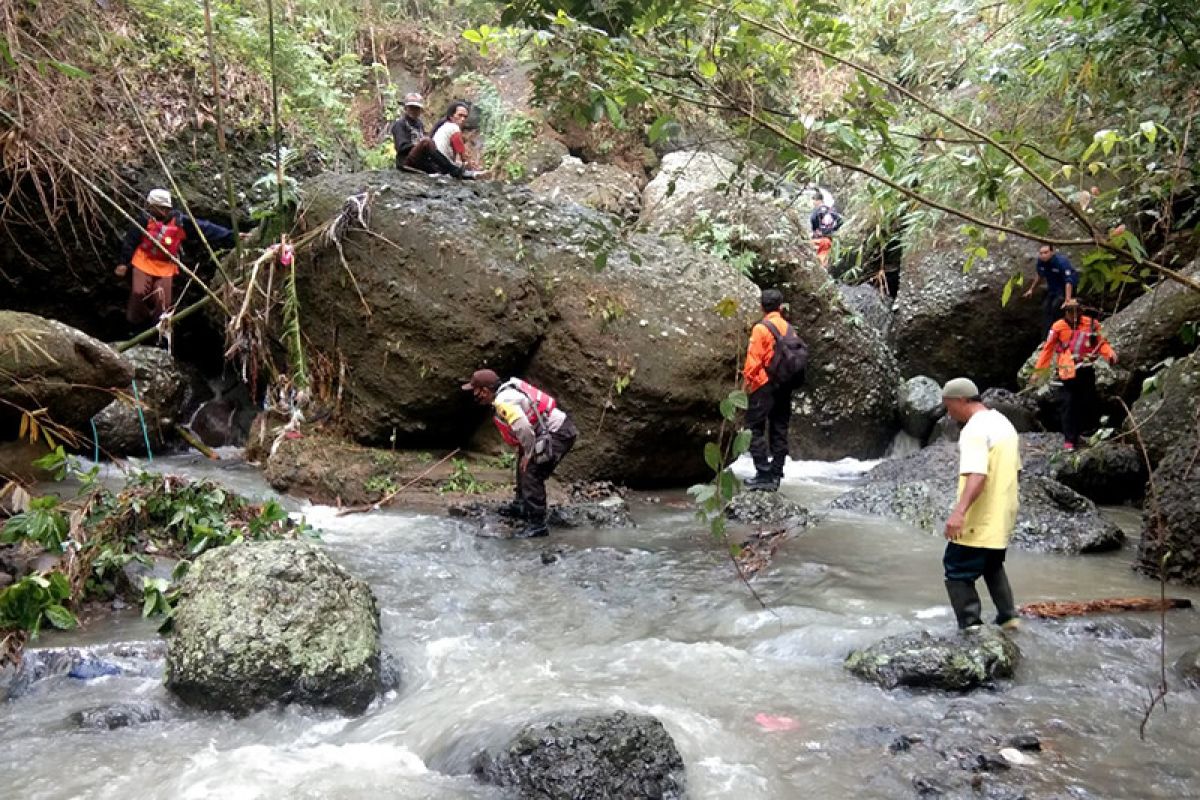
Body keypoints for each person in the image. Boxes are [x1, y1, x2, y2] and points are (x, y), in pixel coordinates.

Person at [939, 377, 1021, 631]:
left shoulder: (974, 429)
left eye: (949, 406)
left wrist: (959, 512)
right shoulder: (1002, 422)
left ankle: (971, 626)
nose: (948, 413)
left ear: (962, 400)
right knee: (991, 564)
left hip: (981, 515)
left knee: (956, 568)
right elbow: (1016, 470)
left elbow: (978, 475)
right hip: (1003, 512)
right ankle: (1008, 617)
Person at [463, 369, 578, 538]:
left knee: (532, 471)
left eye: (475, 390)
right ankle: (521, 505)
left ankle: (538, 524)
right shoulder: (508, 391)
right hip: (548, 431)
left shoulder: (503, 402)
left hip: (558, 432)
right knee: (523, 464)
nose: (474, 395)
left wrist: (529, 453)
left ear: (485, 391)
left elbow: (524, 428)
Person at [114, 189, 239, 329]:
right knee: (138, 292)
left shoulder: (180, 222)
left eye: (162, 208)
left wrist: (232, 236)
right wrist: (123, 262)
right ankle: (136, 322)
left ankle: (158, 332)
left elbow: (206, 228)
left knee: (163, 305)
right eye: (154, 207)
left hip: (165, 266)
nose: (159, 211)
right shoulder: (144, 219)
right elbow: (131, 240)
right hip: (144, 261)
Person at [742, 289, 807, 492]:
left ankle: (763, 473)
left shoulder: (761, 329)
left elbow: (753, 362)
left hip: (764, 385)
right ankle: (776, 474)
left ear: (762, 307)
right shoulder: (788, 328)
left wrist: (748, 386)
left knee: (754, 428)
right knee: (779, 429)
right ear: (780, 307)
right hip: (784, 384)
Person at [1033, 299, 1117, 450]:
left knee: (1087, 401)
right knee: (1068, 404)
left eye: (1076, 311)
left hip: (1085, 368)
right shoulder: (1058, 327)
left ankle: (1088, 433)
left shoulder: (1092, 324)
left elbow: (1101, 343)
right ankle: (1070, 439)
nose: (1073, 315)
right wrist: (1038, 372)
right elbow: (1048, 349)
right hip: (1067, 371)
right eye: (1070, 311)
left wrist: (1109, 354)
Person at [404, 101, 485, 180]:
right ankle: (463, 173)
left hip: (435, 162)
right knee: (426, 142)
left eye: (465, 117)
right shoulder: (453, 127)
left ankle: (466, 172)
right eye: (460, 115)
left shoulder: (432, 125)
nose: (463, 119)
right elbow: (461, 150)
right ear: (451, 116)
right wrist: (467, 162)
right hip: (429, 162)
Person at [1022, 244, 1078, 338]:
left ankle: (1062, 334)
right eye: (1041, 253)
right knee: (1045, 309)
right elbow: (1040, 275)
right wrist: (1031, 289)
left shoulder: (1061, 262)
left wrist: (1067, 299)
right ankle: (1046, 337)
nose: (1043, 255)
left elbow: (1069, 281)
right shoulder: (1041, 262)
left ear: (1052, 252)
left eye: (1046, 252)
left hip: (1066, 288)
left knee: (1056, 308)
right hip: (1053, 289)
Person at [390, 92, 427, 168]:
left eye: (417, 108)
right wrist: (419, 145)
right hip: (405, 160)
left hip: (419, 159)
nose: (414, 111)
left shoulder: (419, 124)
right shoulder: (400, 124)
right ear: (405, 108)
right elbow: (400, 147)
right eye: (411, 107)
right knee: (427, 142)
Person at [809, 192, 844, 270]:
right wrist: (833, 229)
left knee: (816, 259)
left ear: (817, 200)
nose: (813, 203)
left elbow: (813, 221)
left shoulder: (816, 211)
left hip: (819, 239)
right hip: (828, 239)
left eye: (813, 201)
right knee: (824, 259)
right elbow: (840, 221)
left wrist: (815, 231)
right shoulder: (830, 210)